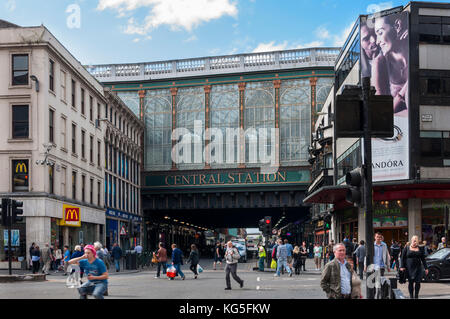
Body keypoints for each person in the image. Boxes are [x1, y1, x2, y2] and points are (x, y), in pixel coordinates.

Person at [372, 12, 409, 114]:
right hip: (395, 124)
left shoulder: (416, 51)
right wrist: (406, 87)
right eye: (376, 35)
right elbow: (380, 111)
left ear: (397, 26)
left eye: (380, 33)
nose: (377, 42)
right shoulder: (379, 63)